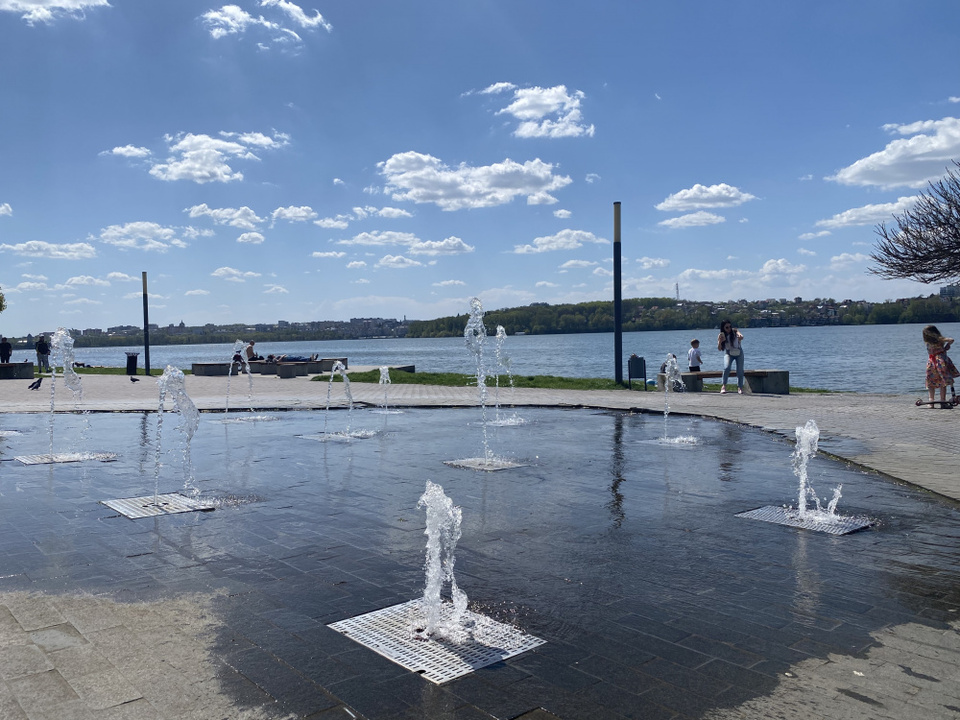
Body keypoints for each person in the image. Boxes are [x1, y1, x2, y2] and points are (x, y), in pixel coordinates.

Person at [922, 325, 959, 405]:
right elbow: (951, 339)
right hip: (941, 361)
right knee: (943, 381)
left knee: (931, 381)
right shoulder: (939, 339)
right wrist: (947, 346)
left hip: (931, 362)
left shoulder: (928, 342)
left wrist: (945, 347)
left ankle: (931, 401)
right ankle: (942, 400)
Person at [717, 320, 744, 394]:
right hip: (729, 353)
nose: (729, 329)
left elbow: (741, 336)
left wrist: (740, 337)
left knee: (740, 370)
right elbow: (719, 349)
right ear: (723, 328)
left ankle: (740, 387)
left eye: (730, 327)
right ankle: (723, 386)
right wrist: (720, 341)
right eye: (727, 327)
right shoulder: (721, 335)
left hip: (739, 352)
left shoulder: (735, 331)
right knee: (727, 368)